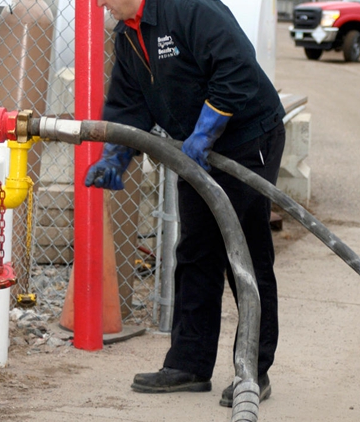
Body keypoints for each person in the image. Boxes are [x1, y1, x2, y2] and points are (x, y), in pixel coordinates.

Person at [85, 0, 286, 407]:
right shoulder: (128, 35)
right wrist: (114, 157)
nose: (101, 3)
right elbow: (129, 108)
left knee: (245, 254)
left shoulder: (190, 9)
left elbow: (237, 67)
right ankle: (189, 365)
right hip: (197, 150)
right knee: (196, 251)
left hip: (247, 138)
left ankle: (253, 370)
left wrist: (206, 130)